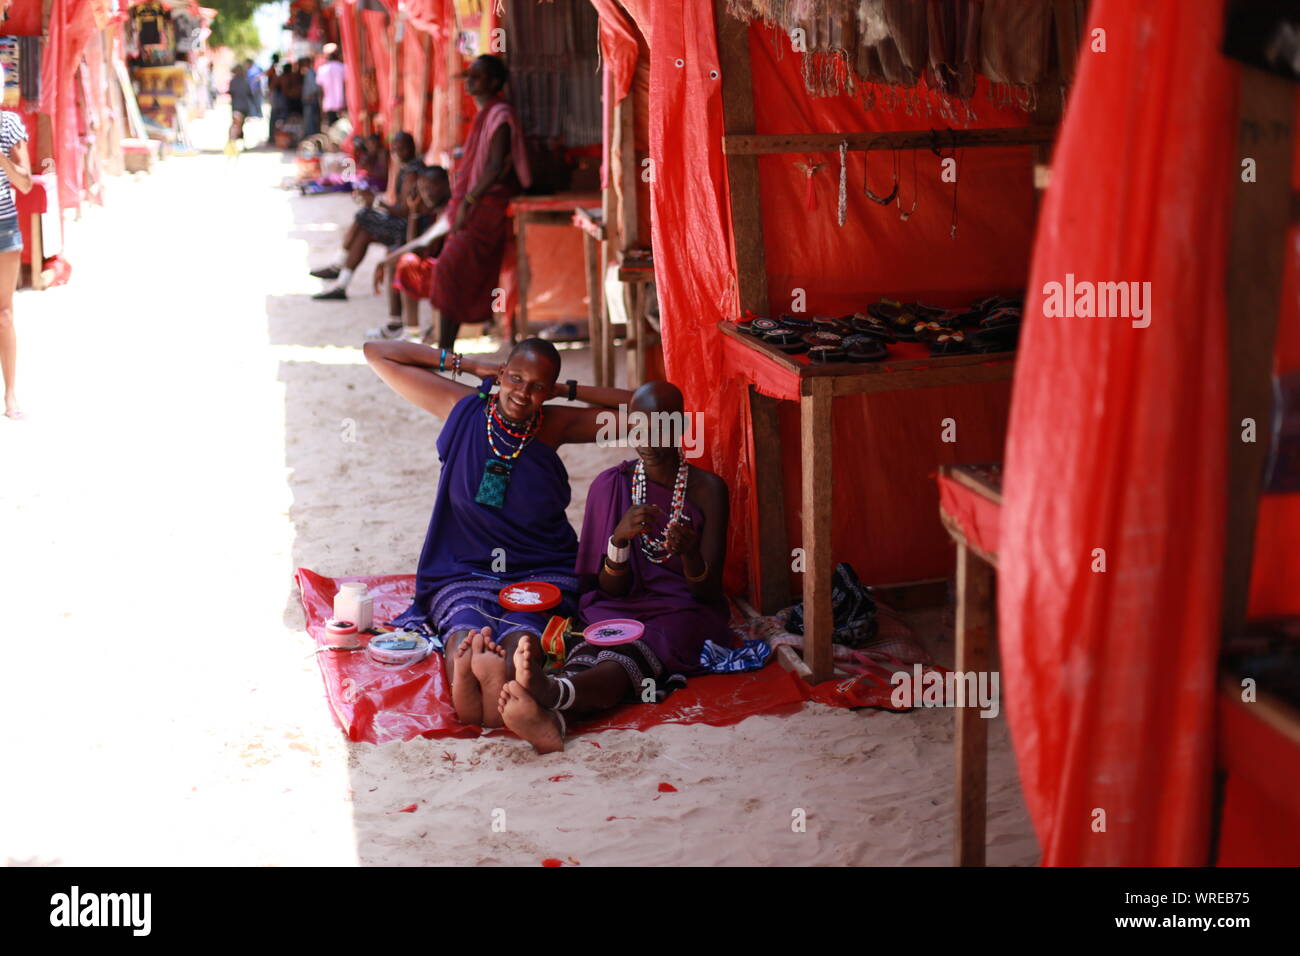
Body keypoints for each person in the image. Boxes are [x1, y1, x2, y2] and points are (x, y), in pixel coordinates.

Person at [362, 337, 635, 728]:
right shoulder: (464, 409)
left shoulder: (555, 423)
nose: (522, 393)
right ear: (501, 374)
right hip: (464, 570)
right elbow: (377, 352)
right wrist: (470, 364)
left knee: (520, 646)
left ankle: (501, 681)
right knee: (463, 630)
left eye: (537, 386)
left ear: (549, 390)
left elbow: (649, 411)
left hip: (541, 570)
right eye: (516, 378)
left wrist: (568, 392)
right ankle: (470, 679)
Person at [497, 382, 731, 754]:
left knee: (633, 652)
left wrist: (688, 553)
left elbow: (707, 592)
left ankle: (553, 692)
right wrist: (619, 541)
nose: (648, 437)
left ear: (681, 427)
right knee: (597, 644)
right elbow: (609, 591)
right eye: (638, 425)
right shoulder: (611, 485)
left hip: (682, 612)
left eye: (660, 426)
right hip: (621, 605)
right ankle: (556, 716)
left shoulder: (707, 489)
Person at [420, 54, 530, 349]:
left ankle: (445, 347)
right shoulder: (485, 114)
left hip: (485, 207)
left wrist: (468, 201)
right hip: (474, 206)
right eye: (469, 75)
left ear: (494, 82)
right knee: (451, 272)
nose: (470, 81)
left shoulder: (500, 115)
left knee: (448, 269)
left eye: (477, 76)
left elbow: (494, 167)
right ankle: (445, 347)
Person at [311, 131, 420, 300]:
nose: (398, 152)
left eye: (402, 148)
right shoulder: (407, 168)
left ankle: (339, 268)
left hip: (412, 228)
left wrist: (376, 202)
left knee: (364, 217)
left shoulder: (412, 173)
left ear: (412, 148)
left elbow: (405, 211)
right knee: (364, 229)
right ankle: (341, 282)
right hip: (404, 222)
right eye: (395, 148)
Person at [369, 165, 452, 338]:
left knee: (405, 262)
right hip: (441, 269)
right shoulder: (433, 210)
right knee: (402, 258)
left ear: (446, 185)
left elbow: (422, 244)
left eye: (430, 187)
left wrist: (384, 261)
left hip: (452, 275)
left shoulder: (450, 210)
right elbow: (413, 244)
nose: (426, 193)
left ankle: (412, 332)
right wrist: (414, 212)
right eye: (422, 189)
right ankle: (397, 324)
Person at [0, 61, 31, 421]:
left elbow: (24, 183)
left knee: (4, 314)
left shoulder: (8, 125)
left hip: (4, 226)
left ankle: (10, 395)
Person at [226, 64, 259, 151]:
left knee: (236, 125)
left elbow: (231, 92)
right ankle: (238, 144)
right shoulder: (245, 81)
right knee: (239, 125)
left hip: (237, 106)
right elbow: (250, 94)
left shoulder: (234, 81)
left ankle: (232, 143)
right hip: (244, 107)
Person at [317, 44, 345, 128]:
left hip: (328, 105)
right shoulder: (342, 67)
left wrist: (321, 106)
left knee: (332, 130)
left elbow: (321, 90)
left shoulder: (321, 70)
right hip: (342, 104)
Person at [299, 56, 320, 138]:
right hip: (310, 100)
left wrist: (309, 97)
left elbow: (314, 88)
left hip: (310, 100)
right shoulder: (310, 72)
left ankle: (310, 138)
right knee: (310, 120)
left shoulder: (310, 73)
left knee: (310, 121)